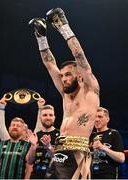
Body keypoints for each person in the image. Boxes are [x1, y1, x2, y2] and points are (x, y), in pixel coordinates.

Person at [29, 8, 100, 179]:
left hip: (78, 152)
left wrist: (63, 26)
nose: (64, 79)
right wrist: (41, 36)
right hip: (59, 149)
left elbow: (79, 55)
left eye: (68, 75)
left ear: (80, 77)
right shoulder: (65, 93)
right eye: (62, 76)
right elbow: (49, 64)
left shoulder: (90, 89)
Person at [0, 97, 34, 178]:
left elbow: (29, 166)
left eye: (19, 126)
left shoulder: (29, 145)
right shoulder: (6, 142)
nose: (15, 127)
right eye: (13, 125)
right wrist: (2, 108)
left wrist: (40, 108)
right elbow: (1, 128)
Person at [90, 107, 125, 179]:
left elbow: (121, 158)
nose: (96, 119)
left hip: (107, 175)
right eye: (95, 117)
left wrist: (102, 147)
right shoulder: (90, 136)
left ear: (107, 119)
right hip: (90, 175)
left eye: (100, 117)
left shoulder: (114, 134)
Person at [30, 97, 60, 179]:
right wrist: (33, 147)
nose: (48, 117)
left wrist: (49, 147)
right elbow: (29, 161)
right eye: (45, 115)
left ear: (54, 117)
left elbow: (60, 159)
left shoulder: (61, 135)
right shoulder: (36, 135)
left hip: (55, 176)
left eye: (51, 115)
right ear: (40, 118)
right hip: (36, 175)